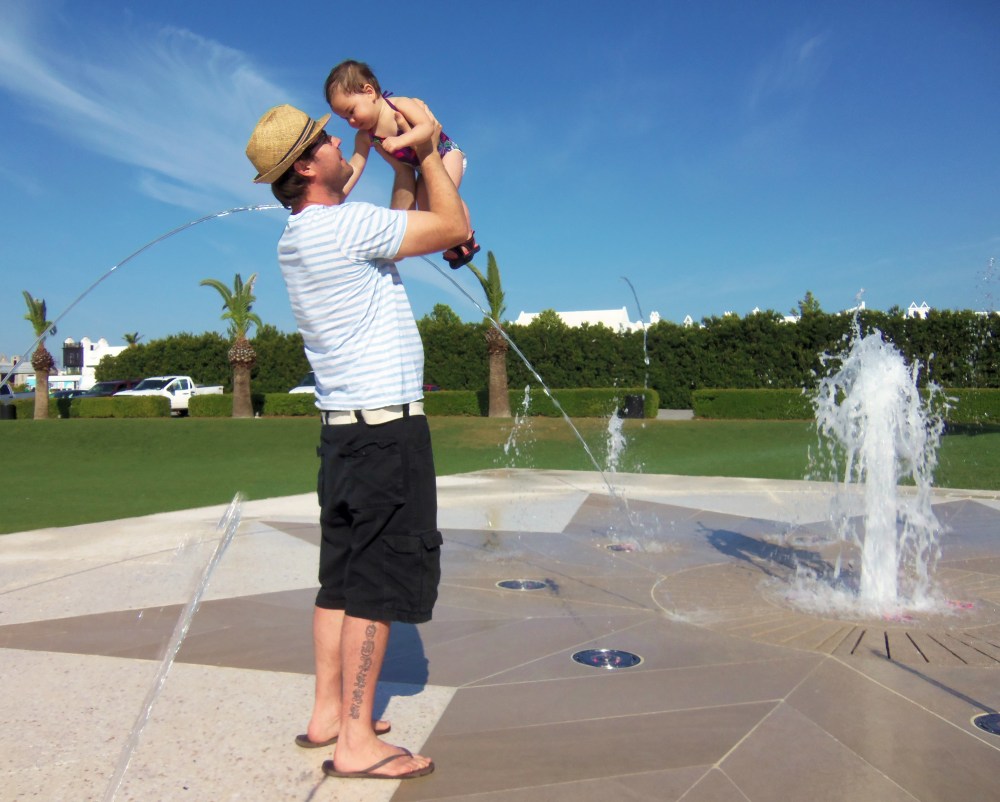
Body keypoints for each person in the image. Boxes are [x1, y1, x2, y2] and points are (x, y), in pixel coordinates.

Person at [244, 101, 466, 781]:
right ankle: (358, 743)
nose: (340, 142)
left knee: (339, 577)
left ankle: (329, 715)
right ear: (308, 166)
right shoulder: (344, 229)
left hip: (344, 436)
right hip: (386, 434)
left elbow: (390, 216)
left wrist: (386, 155)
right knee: (378, 579)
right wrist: (426, 150)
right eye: (326, 141)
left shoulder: (301, 236)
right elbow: (454, 226)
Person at [323, 59, 480, 269]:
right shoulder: (364, 137)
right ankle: (454, 243)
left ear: (369, 92)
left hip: (445, 153)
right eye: (344, 118)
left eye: (351, 111)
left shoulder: (400, 105)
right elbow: (356, 166)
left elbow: (427, 127)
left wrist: (400, 140)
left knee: (445, 195)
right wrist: (338, 196)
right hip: (421, 168)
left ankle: (467, 237)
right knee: (429, 211)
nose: (351, 121)